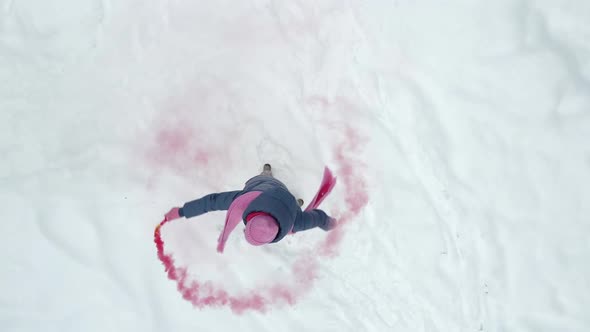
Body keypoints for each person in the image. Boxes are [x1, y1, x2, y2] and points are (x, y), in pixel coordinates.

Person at [164, 164, 337, 252]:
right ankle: (270, 178)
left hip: (273, 191)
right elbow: (211, 201)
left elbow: (318, 218)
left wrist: (331, 224)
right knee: (268, 186)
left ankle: (279, 188)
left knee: (287, 205)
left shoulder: (296, 223)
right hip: (267, 188)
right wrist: (181, 211)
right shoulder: (243, 201)